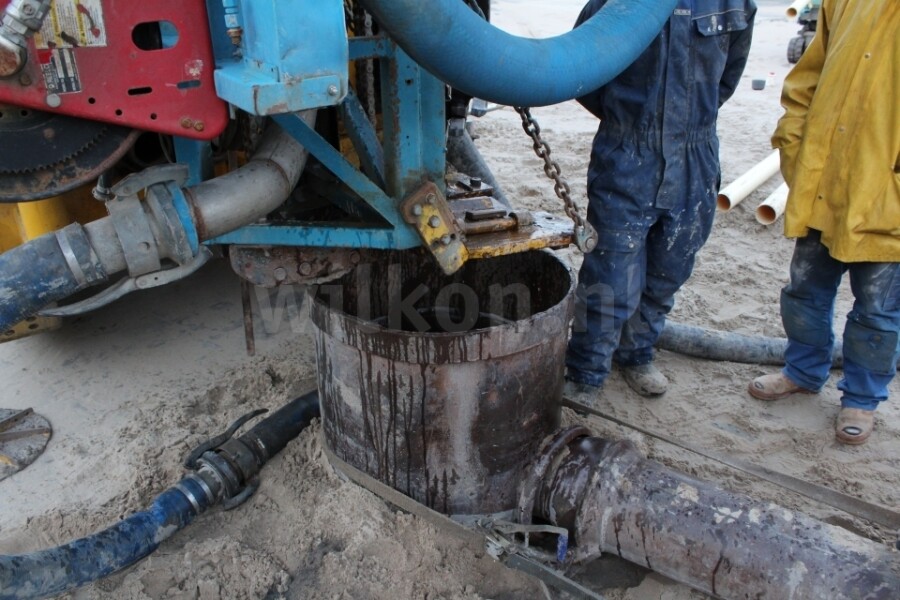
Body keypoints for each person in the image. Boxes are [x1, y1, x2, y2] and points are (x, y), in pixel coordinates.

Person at [564, 0, 756, 403]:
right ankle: (585, 371)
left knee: (671, 267)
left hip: (695, 155)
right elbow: (584, 74)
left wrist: (687, 125)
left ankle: (636, 354)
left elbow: (729, 75)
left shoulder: (733, 3)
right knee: (610, 271)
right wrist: (629, 120)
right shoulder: (613, 3)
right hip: (628, 152)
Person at [748, 0, 899, 445]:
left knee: (877, 310)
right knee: (804, 292)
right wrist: (794, 141)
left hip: (884, 193)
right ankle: (803, 370)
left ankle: (861, 399)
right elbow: (808, 76)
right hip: (824, 178)